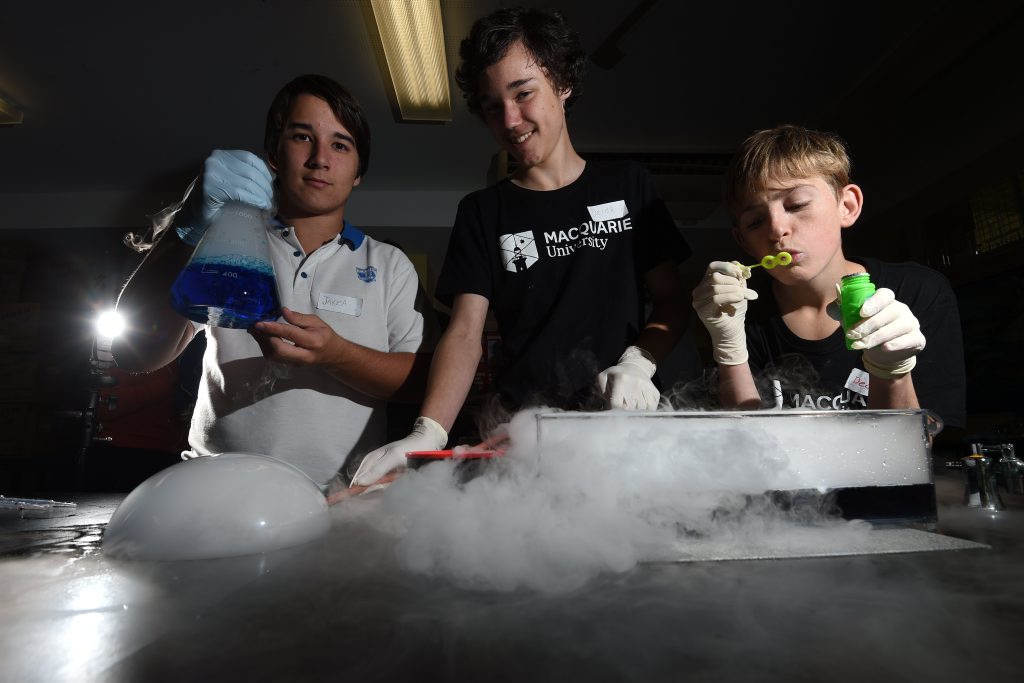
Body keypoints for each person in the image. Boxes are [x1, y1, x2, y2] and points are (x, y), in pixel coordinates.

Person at [351, 7, 692, 487]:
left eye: (523, 93)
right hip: (523, 437)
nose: (510, 120)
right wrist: (426, 432)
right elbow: (465, 334)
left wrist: (640, 362)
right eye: (493, 106)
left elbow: (673, 301)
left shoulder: (629, 185)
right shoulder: (483, 212)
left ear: (564, 83)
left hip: (620, 431)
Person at [114, 74, 434, 496]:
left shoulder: (390, 264)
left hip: (341, 499)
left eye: (341, 144)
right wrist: (184, 231)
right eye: (303, 136)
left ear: (359, 172)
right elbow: (133, 353)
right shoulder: (228, 243)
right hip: (217, 491)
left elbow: (421, 387)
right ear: (273, 155)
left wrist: (334, 355)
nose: (320, 158)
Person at [691, 124, 965, 429]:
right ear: (743, 241)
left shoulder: (918, 291)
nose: (776, 229)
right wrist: (730, 351)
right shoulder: (738, 313)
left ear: (846, 206)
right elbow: (746, 448)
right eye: (755, 222)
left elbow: (925, 447)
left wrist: (893, 372)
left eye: (796, 205)